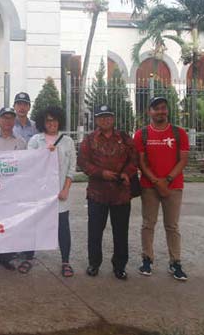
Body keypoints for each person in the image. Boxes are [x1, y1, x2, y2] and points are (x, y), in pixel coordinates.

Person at [78, 105, 137, 281]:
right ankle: (94, 263)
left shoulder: (125, 138)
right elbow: (83, 161)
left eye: (108, 116)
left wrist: (127, 173)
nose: (105, 120)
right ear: (96, 120)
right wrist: (101, 173)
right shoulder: (89, 140)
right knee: (95, 231)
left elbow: (134, 159)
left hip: (120, 194)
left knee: (121, 232)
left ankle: (119, 266)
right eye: (101, 117)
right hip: (98, 193)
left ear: (113, 118)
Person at [133, 96, 189, 281]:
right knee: (148, 224)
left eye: (163, 108)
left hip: (174, 186)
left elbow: (183, 160)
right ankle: (147, 260)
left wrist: (168, 179)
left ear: (167, 110)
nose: (160, 111)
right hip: (150, 186)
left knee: (172, 226)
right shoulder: (142, 134)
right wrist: (157, 182)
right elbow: (141, 161)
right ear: (150, 112)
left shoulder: (179, 133)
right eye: (156, 108)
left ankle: (175, 262)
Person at [28, 106, 76, 278]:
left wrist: (66, 189)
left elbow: (71, 169)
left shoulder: (67, 141)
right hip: (39, 193)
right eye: (48, 120)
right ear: (43, 122)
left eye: (55, 120)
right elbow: (29, 164)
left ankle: (65, 261)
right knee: (34, 226)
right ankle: (28, 257)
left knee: (63, 227)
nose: (52, 123)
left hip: (59, 193)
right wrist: (43, 154)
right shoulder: (35, 140)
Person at [0, 106, 27, 272]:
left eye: (11, 118)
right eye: (4, 118)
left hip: (12, 191)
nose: (7, 121)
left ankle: (6, 258)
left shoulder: (21, 142)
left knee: (8, 225)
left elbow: (26, 167)